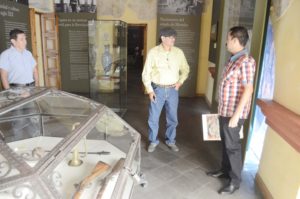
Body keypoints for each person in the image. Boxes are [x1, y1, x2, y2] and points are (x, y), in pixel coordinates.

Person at [206, 26, 256, 194]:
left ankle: (235, 181)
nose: (226, 41)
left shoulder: (246, 61)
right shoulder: (233, 59)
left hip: (234, 114)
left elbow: (248, 89)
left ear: (235, 40)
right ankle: (225, 170)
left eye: (228, 38)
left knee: (233, 147)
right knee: (225, 143)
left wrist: (236, 116)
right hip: (225, 110)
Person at [142, 27, 189, 152]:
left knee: (173, 117)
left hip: (173, 90)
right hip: (158, 89)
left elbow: (185, 69)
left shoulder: (178, 52)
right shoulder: (153, 52)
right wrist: (150, 90)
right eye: (170, 37)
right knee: (153, 118)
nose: (173, 39)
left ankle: (171, 140)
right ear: (162, 38)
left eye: (174, 37)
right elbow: (146, 73)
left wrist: (180, 82)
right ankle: (153, 141)